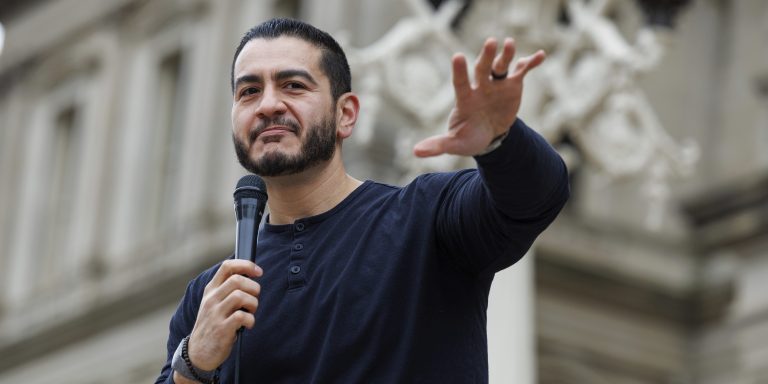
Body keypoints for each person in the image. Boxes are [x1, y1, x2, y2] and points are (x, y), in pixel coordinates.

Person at [156, 17, 569, 384]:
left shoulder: (423, 218)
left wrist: (500, 140)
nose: (268, 105)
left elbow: (537, 197)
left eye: (293, 85)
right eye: (249, 91)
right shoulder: (210, 295)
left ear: (346, 115)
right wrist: (194, 364)